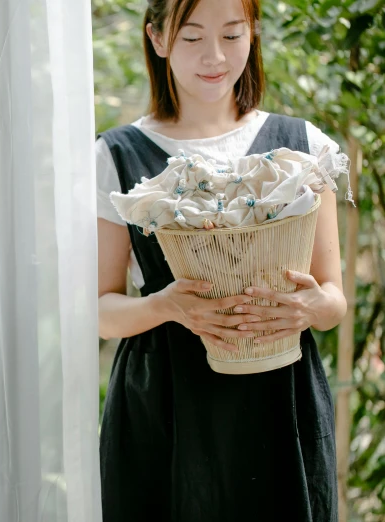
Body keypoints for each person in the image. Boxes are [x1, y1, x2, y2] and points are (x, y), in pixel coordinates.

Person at [96, 0, 348, 520]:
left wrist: (307, 310)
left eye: (232, 35)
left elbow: (334, 299)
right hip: (165, 404)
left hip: (281, 404)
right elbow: (98, 310)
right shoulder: (115, 154)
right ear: (158, 39)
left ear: (253, 35)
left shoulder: (303, 147)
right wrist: (167, 306)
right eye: (191, 38)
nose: (214, 56)